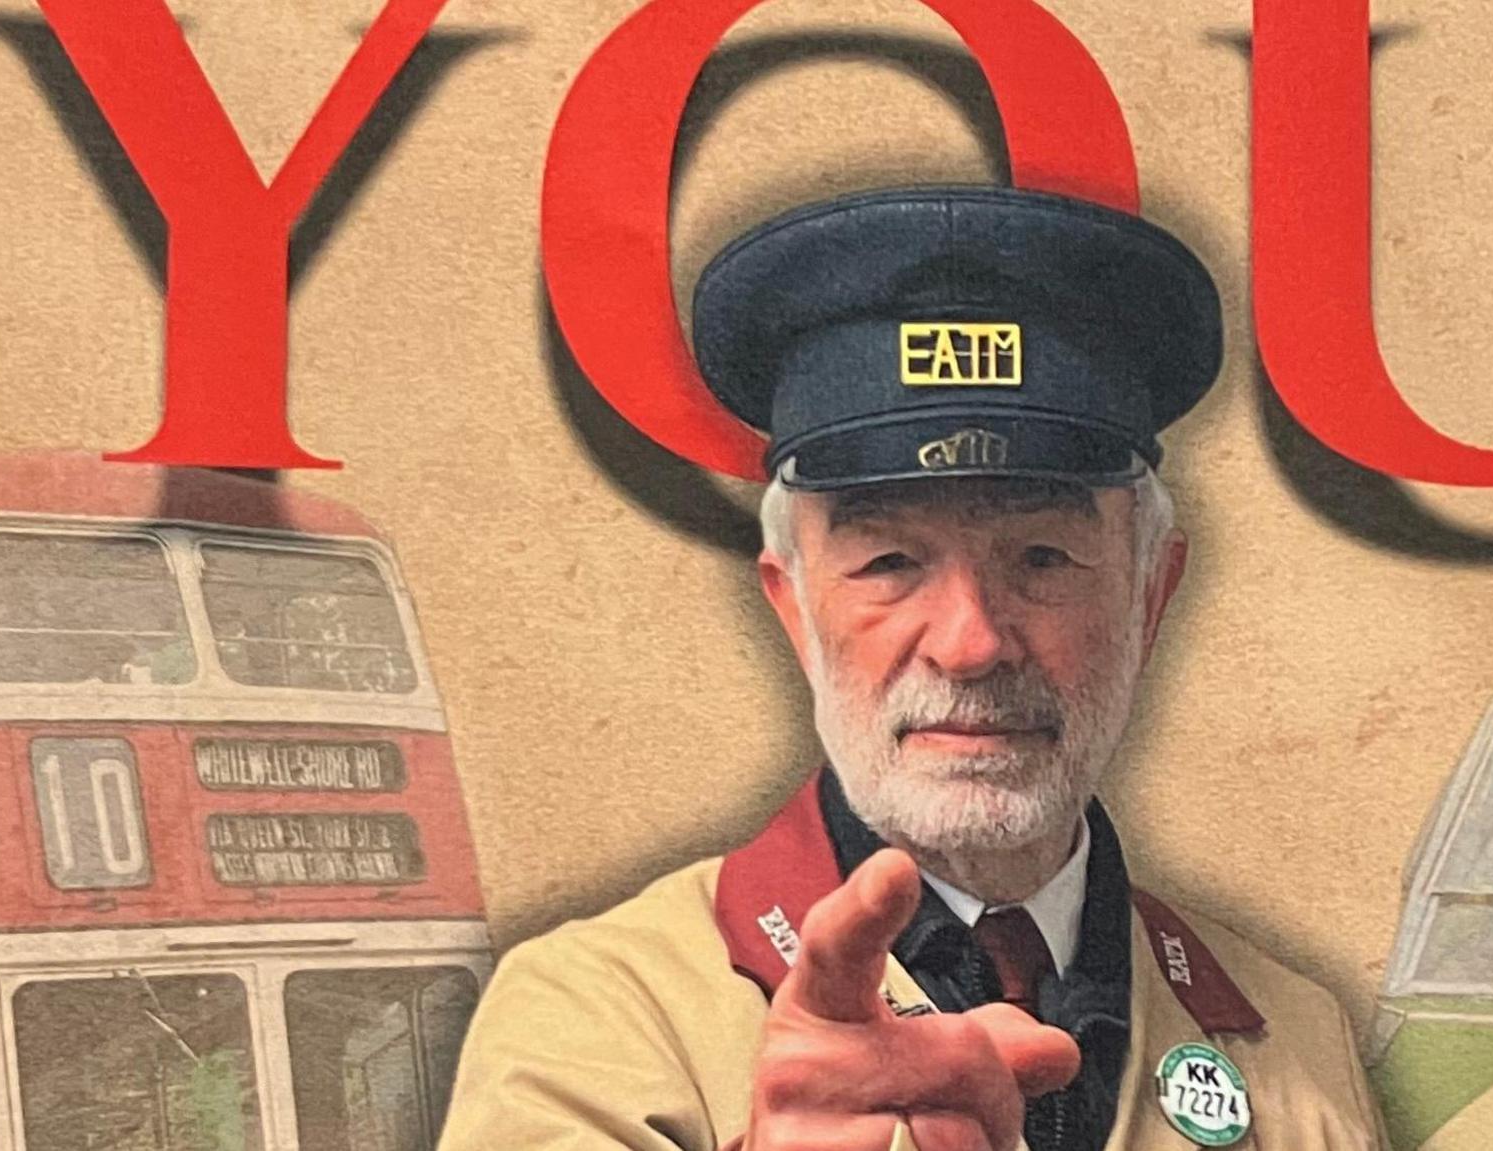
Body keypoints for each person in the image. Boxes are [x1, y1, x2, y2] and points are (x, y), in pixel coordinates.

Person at [440, 186, 1385, 1151]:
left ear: (1150, 595)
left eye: (1043, 559)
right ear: (794, 611)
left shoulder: (1294, 1038)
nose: (971, 642)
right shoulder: (592, 1019)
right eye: (890, 562)